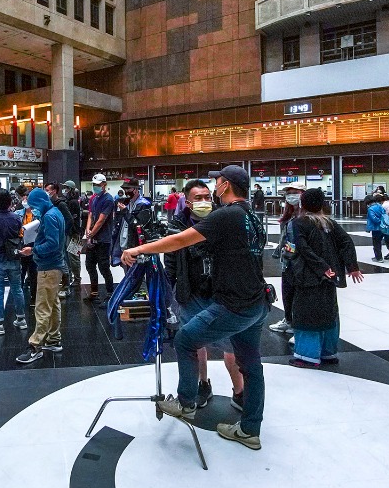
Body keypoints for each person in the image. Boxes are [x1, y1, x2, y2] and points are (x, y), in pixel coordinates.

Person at [122, 165, 269, 450]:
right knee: (251, 365)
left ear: (225, 185)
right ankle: (250, 429)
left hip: (234, 305)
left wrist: (139, 249)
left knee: (186, 340)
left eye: (216, 184)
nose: (213, 191)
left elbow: (179, 240)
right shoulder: (252, 216)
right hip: (257, 301)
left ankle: (186, 402)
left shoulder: (226, 215)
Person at [164, 179, 246, 410]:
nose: (203, 201)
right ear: (187, 201)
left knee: (231, 346)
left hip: (221, 294)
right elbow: (170, 259)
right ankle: (202, 384)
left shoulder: (223, 219)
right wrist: (169, 292)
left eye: (207, 197)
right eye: (198, 198)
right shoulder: (178, 224)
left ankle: (239, 391)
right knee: (194, 342)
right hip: (191, 293)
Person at [287, 188, 363, 367]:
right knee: (329, 313)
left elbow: (303, 249)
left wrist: (322, 268)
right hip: (330, 279)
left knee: (306, 314)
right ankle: (328, 353)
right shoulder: (329, 223)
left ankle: (308, 356)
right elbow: (346, 242)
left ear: (302, 203)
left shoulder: (299, 223)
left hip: (309, 277)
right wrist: (352, 267)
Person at [17, 186, 67, 364]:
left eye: (33, 206)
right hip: (54, 266)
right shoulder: (55, 212)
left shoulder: (49, 216)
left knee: (42, 307)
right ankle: (54, 339)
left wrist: (33, 250)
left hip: (48, 266)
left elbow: (52, 244)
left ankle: (35, 345)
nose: (32, 209)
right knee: (52, 304)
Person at [0, 189, 28, 335]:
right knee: (17, 288)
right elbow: (21, 234)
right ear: (10, 202)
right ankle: (21, 319)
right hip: (14, 257)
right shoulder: (16, 218)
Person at [269, 185, 302, 336]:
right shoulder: (289, 214)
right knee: (287, 291)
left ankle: (299, 325)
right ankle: (288, 319)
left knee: (298, 294)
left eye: (295, 193)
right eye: (288, 194)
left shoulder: (306, 216)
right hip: (287, 259)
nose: (291, 196)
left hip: (300, 261)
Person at [83, 173, 116, 301]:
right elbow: (91, 215)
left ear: (104, 185)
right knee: (90, 265)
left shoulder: (108, 199)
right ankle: (94, 292)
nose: (95, 187)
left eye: (98, 185)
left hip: (103, 239)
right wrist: (88, 230)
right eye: (94, 184)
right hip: (94, 237)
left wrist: (91, 233)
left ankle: (109, 293)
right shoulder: (95, 198)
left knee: (104, 267)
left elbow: (101, 220)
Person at [366, 193, 389, 262]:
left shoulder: (370, 209)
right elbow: (384, 215)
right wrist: (383, 222)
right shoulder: (380, 206)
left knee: (376, 243)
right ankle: (387, 255)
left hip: (376, 228)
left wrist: (379, 222)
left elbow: (373, 218)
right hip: (383, 227)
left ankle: (379, 258)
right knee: (385, 240)